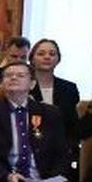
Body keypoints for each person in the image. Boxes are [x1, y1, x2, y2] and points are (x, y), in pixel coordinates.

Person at [28, 38, 81, 167]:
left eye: (52, 54)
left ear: (58, 59)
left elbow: (73, 125)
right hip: (29, 149)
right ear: (32, 59)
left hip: (62, 150)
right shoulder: (23, 87)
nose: (47, 57)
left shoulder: (69, 88)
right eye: (41, 54)